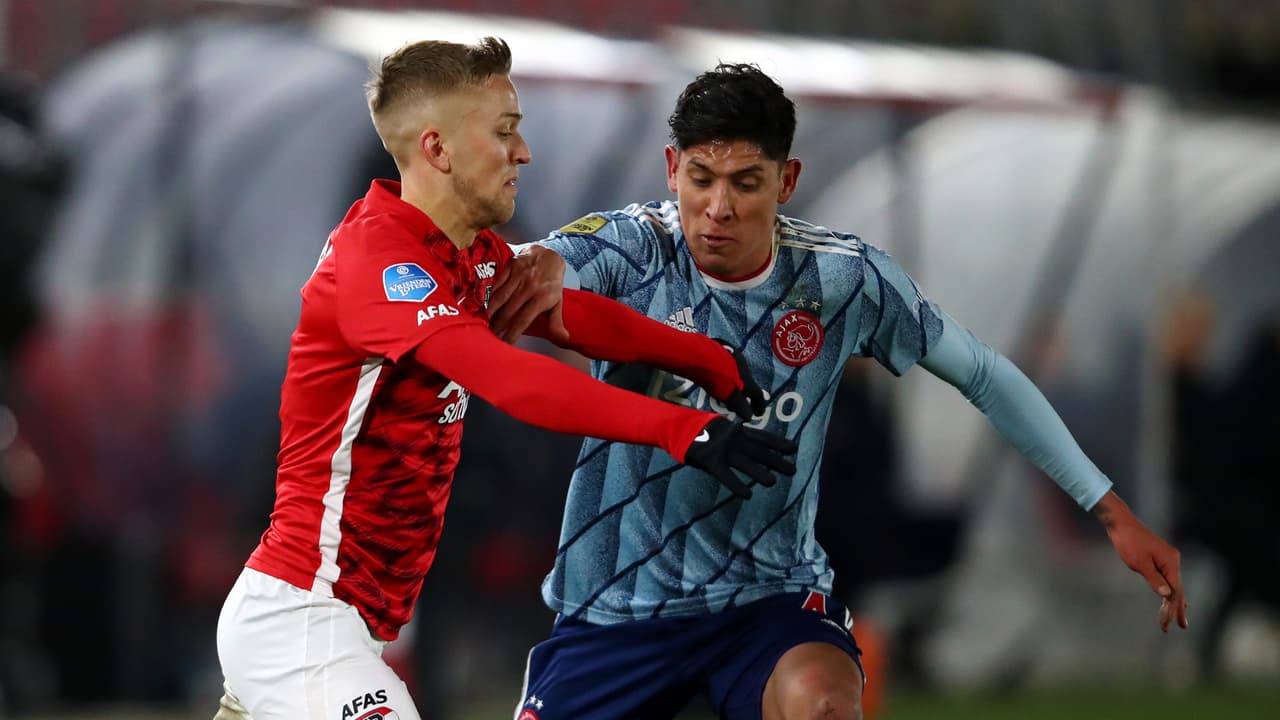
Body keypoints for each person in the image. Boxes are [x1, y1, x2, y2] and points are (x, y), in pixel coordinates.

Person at [488, 63, 1189, 720]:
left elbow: (983, 373)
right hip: (617, 608)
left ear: (787, 180)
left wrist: (1110, 511)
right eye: (701, 178)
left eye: (746, 182)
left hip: (766, 601)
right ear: (673, 168)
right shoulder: (632, 247)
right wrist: (534, 263)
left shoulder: (841, 280)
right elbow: (531, 271)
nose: (718, 208)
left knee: (822, 703)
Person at [213, 41, 799, 720]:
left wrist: (705, 360)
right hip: (302, 620)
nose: (523, 153)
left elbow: (569, 316)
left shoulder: (459, 255)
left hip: (342, 624)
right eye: (504, 132)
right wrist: (681, 428)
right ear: (437, 149)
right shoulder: (380, 263)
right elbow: (513, 380)